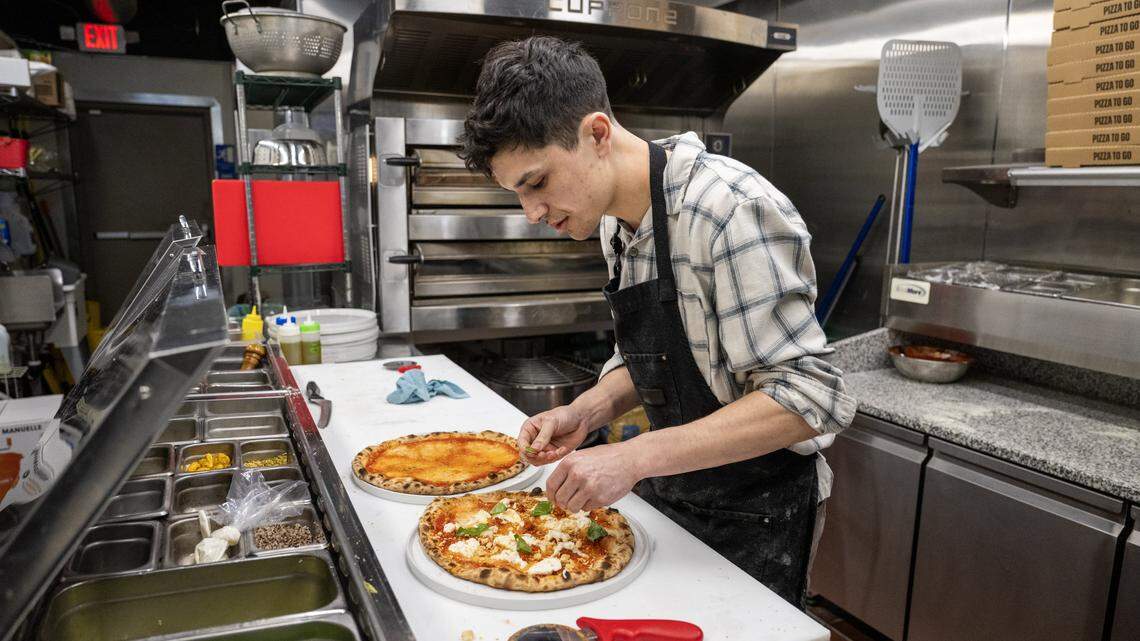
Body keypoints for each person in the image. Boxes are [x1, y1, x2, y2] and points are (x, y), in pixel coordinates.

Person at [458, 36, 856, 608]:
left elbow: (807, 398)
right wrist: (586, 410)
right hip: (674, 496)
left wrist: (632, 456)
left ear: (597, 134)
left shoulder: (726, 209)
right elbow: (668, 357)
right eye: (517, 195)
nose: (532, 214)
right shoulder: (613, 223)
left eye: (537, 183)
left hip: (757, 514)